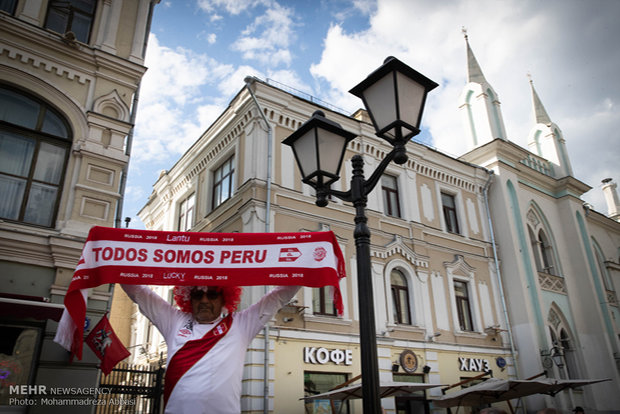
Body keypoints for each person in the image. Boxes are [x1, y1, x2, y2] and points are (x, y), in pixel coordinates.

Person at [121, 283, 300, 413]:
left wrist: (309, 263)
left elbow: (279, 295)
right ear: (189, 298)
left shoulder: (241, 324)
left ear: (224, 298)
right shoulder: (174, 321)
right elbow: (137, 291)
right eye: (198, 294)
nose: (204, 300)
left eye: (212, 294)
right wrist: (115, 255)